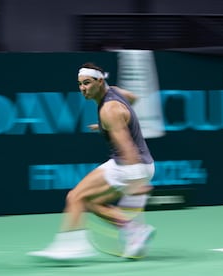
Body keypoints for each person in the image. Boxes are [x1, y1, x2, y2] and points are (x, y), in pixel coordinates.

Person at [28, 62, 155, 260]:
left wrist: (136, 180)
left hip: (130, 165)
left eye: (87, 83)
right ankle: (135, 231)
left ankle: (71, 247)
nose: (82, 89)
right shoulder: (115, 93)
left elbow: (127, 147)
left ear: (100, 81)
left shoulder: (109, 111)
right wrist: (109, 125)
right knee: (91, 202)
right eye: (80, 84)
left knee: (75, 197)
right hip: (141, 165)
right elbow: (133, 98)